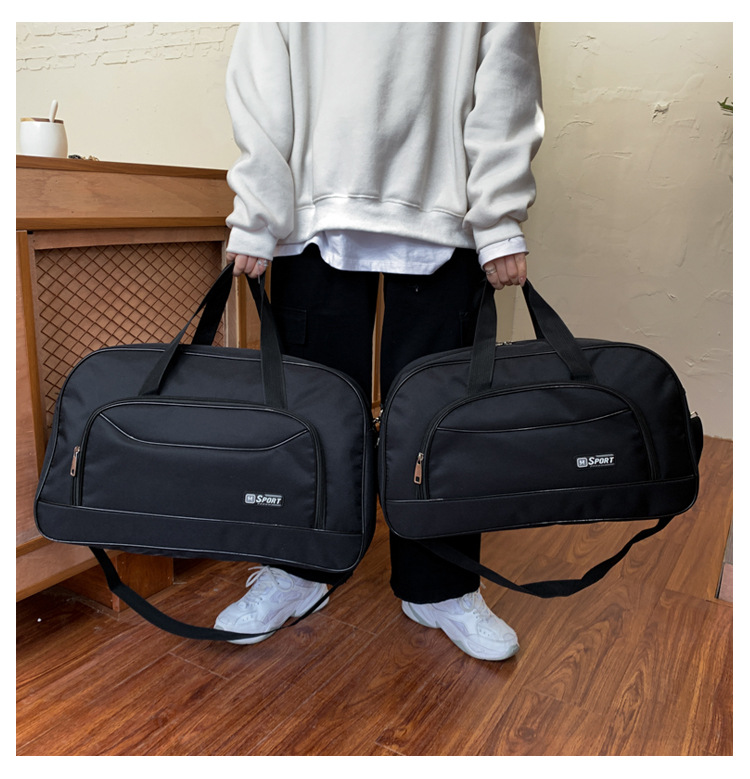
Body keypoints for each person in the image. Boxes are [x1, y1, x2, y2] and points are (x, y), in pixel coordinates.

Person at [215, 22, 544, 661]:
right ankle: (299, 569)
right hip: (314, 213)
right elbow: (261, 78)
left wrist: (498, 216)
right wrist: (256, 213)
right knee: (308, 417)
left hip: (443, 210)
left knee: (441, 422)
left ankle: (442, 584)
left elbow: (507, 79)